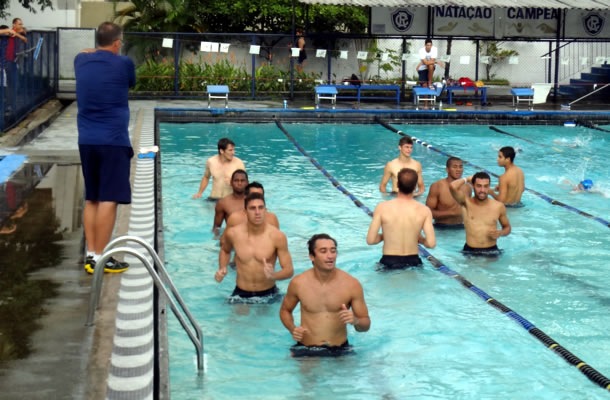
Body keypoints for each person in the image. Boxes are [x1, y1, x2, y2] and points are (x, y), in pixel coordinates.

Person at [75, 22, 135, 274]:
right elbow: (130, 83)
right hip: (113, 140)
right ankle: (100, 257)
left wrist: (96, 50)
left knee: (93, 198)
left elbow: (86, 53)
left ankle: (91, 252)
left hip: (87, 139)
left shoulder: (80, 61)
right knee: (109, 199)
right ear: (117, 42)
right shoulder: (124, 64)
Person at [280, 233, 370, 357]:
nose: (330, 256)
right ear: (312, 256)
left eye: (333, 251)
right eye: (323, 251)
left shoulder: (351, 284)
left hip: (340, 349)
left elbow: (365, 325)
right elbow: (285, 310)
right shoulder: (298, 283)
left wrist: (355, 321)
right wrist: (292, 329)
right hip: (307, 348)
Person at [215, 192, 293, 302]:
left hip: (269, 294)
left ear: (265, 210)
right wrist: (222, 268)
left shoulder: (277, 236)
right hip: (241, 294)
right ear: (245, 211)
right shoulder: (233, 234)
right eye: (252, 208)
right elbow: (225, 251)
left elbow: (289, 270)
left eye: (261, 208)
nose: (257, 212)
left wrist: (274, 275)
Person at [368, 168, 435, 269]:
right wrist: (419, 238)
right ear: (415, 187)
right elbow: (431, 244)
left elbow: (371, 240)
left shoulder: (382, 207)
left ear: (397, 184)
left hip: (389, 261)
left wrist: (385, 235)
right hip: (414, 262)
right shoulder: (424, 210)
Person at [450, 172, 511, 256]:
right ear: (473, 186)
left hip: (492, 250)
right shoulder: (466, 203)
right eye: (479, 186)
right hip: (470, 251)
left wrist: (500, 233)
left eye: (486, 186)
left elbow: (507, 227)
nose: (482, 190)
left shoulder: (498, 206)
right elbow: (452, 186)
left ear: (489, 187)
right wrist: (467, 179)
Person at [426, 157, 472, 228]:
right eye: (455, 167)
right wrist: (452, 213)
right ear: (447, 169)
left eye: (460, 167)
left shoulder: (468, 188)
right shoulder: (437, 186)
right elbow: (427, 212)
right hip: (440, 227)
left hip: (461, 227)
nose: (458, 170)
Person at [2, 18, 27, 114]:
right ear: (14, 24)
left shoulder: (18, 33)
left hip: (14, 61)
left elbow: (24, 35)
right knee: (11, 84)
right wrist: (17, 34)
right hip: (8, 61)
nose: (21, 26)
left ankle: (11, 105)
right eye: (19, 24)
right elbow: (11, 32)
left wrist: (21, 32)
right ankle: (9, 106)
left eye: (21, 24)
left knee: (14, 84)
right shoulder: (10, 32)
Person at [212, 169, 248, 236]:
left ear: (247, 183)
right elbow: (216, 228)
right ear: (231, 183)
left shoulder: (254, 201)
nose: (239, 183)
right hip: (232, 238)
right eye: (236, 180)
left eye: (242, 181)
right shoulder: (222, 203)